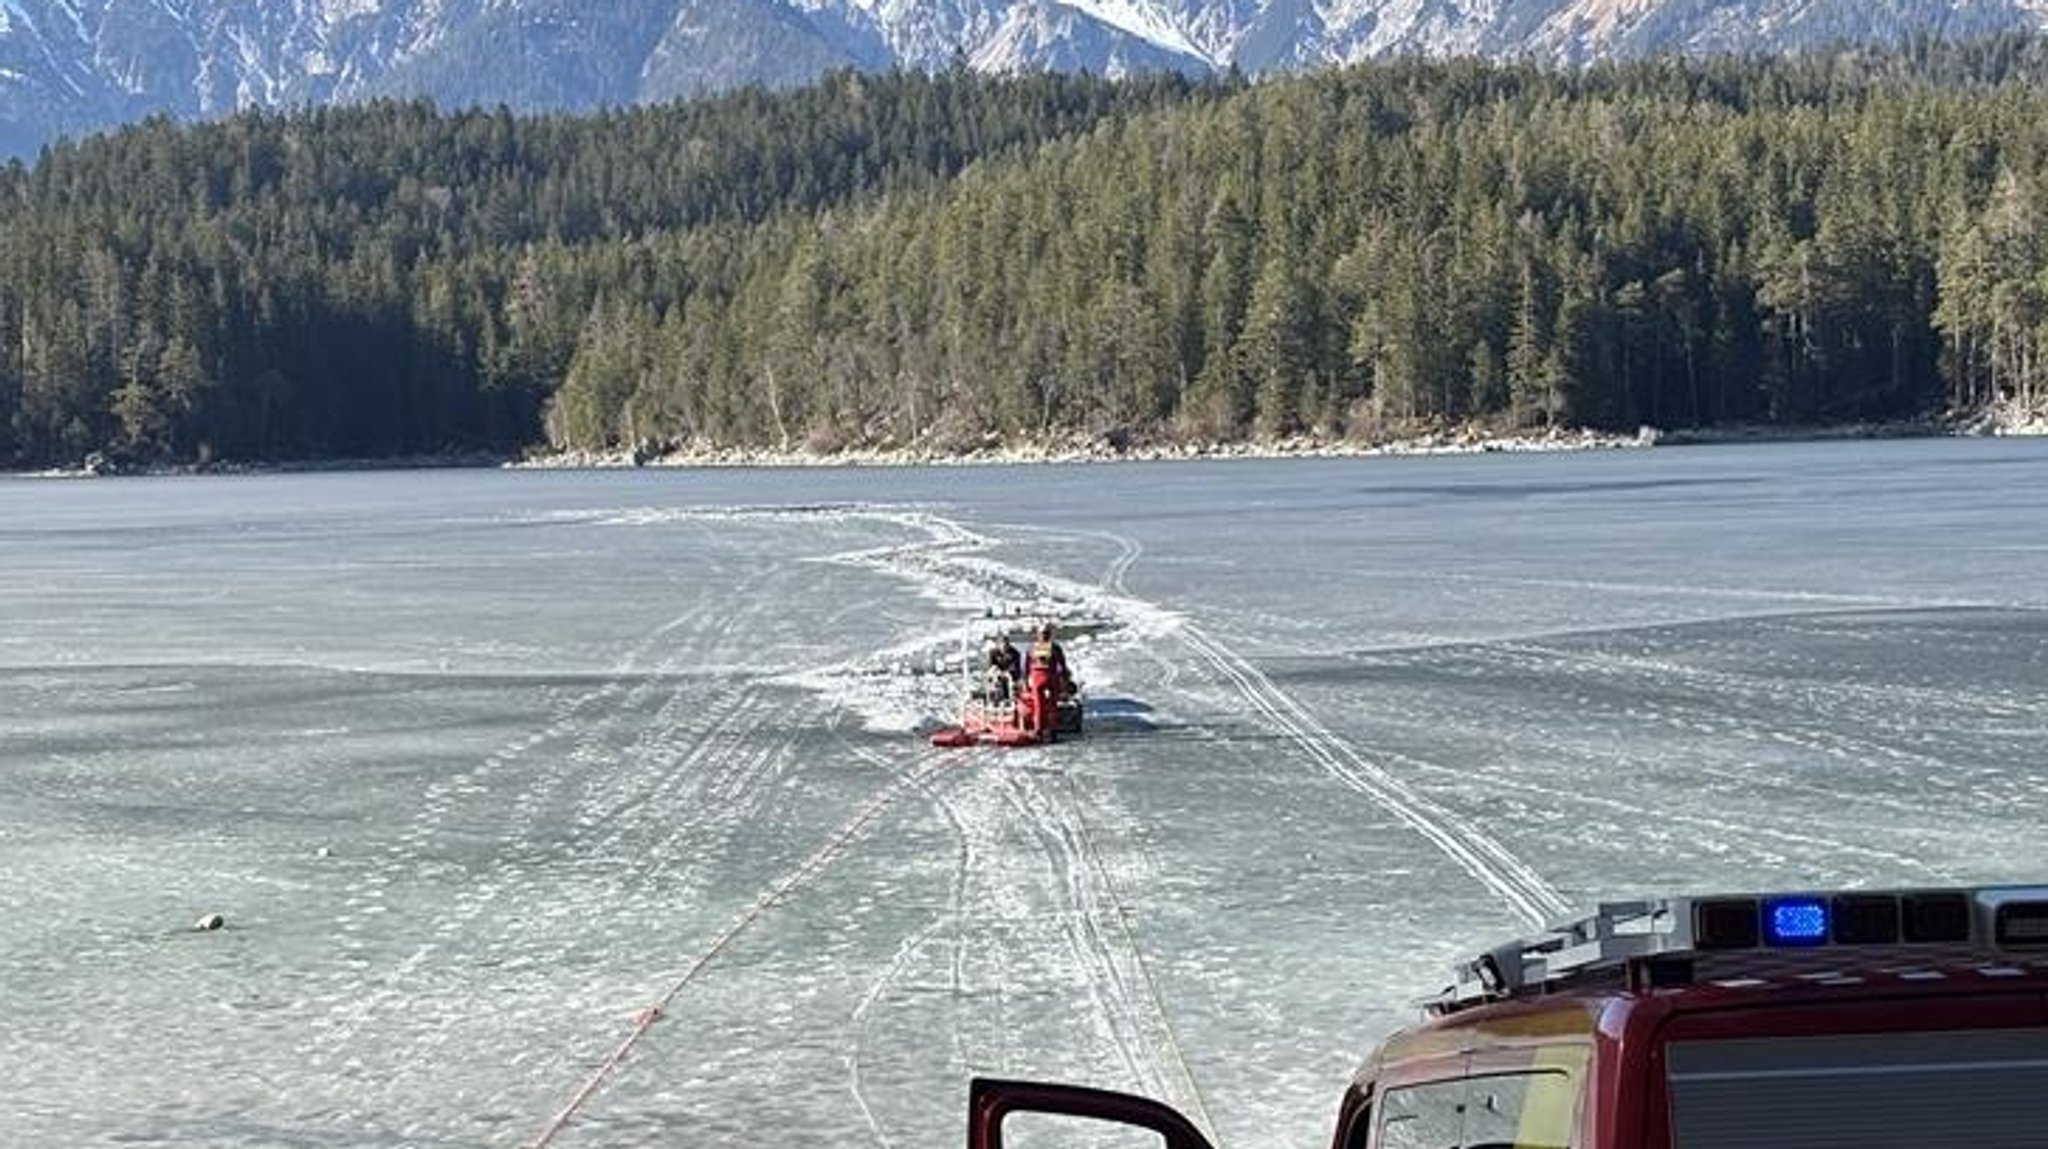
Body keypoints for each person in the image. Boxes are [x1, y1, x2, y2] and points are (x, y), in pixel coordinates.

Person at [1025, 622, 1070, 738]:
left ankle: (1038, 730)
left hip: (1037, 678)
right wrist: (1065, 681)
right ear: (1049, 634)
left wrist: (1025, 682)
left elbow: (1026, 667)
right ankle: (1053, 731)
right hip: (1052, 677)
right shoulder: (1055, 647)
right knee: (1053, 705)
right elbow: (1062, 665)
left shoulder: (1031, 648)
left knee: (1038, 706)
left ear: (1038, 635)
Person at [983, 633, 1022, 701]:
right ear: (999, 645)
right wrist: (997, 671)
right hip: (997, 672)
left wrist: (1007, 672)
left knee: (1009, 679)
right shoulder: (993, 652)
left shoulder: (1015, 653)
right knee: (993, 677)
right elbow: (990, 665)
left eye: (1006, 645)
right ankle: (994, 698)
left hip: (1011, 673)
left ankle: (1010, 698)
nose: (1004, 647)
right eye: (1002, 644)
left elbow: (1015, 667)